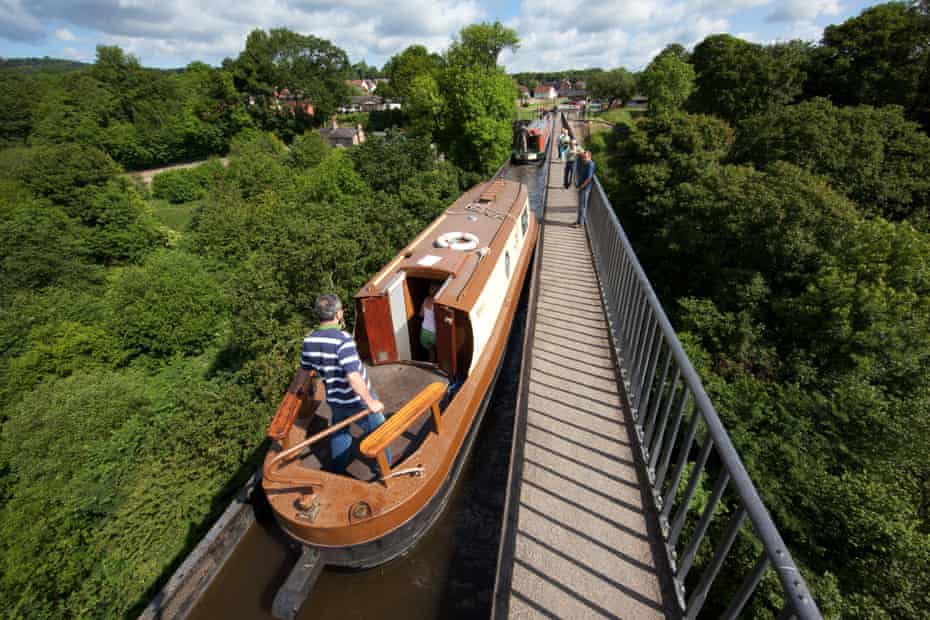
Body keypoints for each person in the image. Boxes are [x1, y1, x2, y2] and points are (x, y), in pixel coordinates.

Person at [301, 294, 390, 475]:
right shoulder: (343, 340)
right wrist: (370, 402)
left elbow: (305, 370)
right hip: (357, 400)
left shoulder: (309, 340)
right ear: (338, 314)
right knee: (380, 432)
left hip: (335, 399)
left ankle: (338, 470)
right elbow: (354, 376)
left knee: (340, 433)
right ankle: (386, 468)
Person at [575, 151, 596, 227]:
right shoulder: (585, 162)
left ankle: (580, 223)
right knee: (580, 205)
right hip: (581, 187)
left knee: (583, 206)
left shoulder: (590, 164)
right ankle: (578, 221)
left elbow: (589, 179)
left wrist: (581, 186)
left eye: (585, 157)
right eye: (583, 157)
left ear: (590, 157)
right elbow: (580, 153)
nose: (583, 159)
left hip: (585, 188)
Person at [420, 284, 438, 362]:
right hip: (434, 333)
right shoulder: (437, 302)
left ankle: (430, 365)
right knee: (440, 353)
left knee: (431, 353)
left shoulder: (426, 300)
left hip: (424, 331)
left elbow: (421, 314)